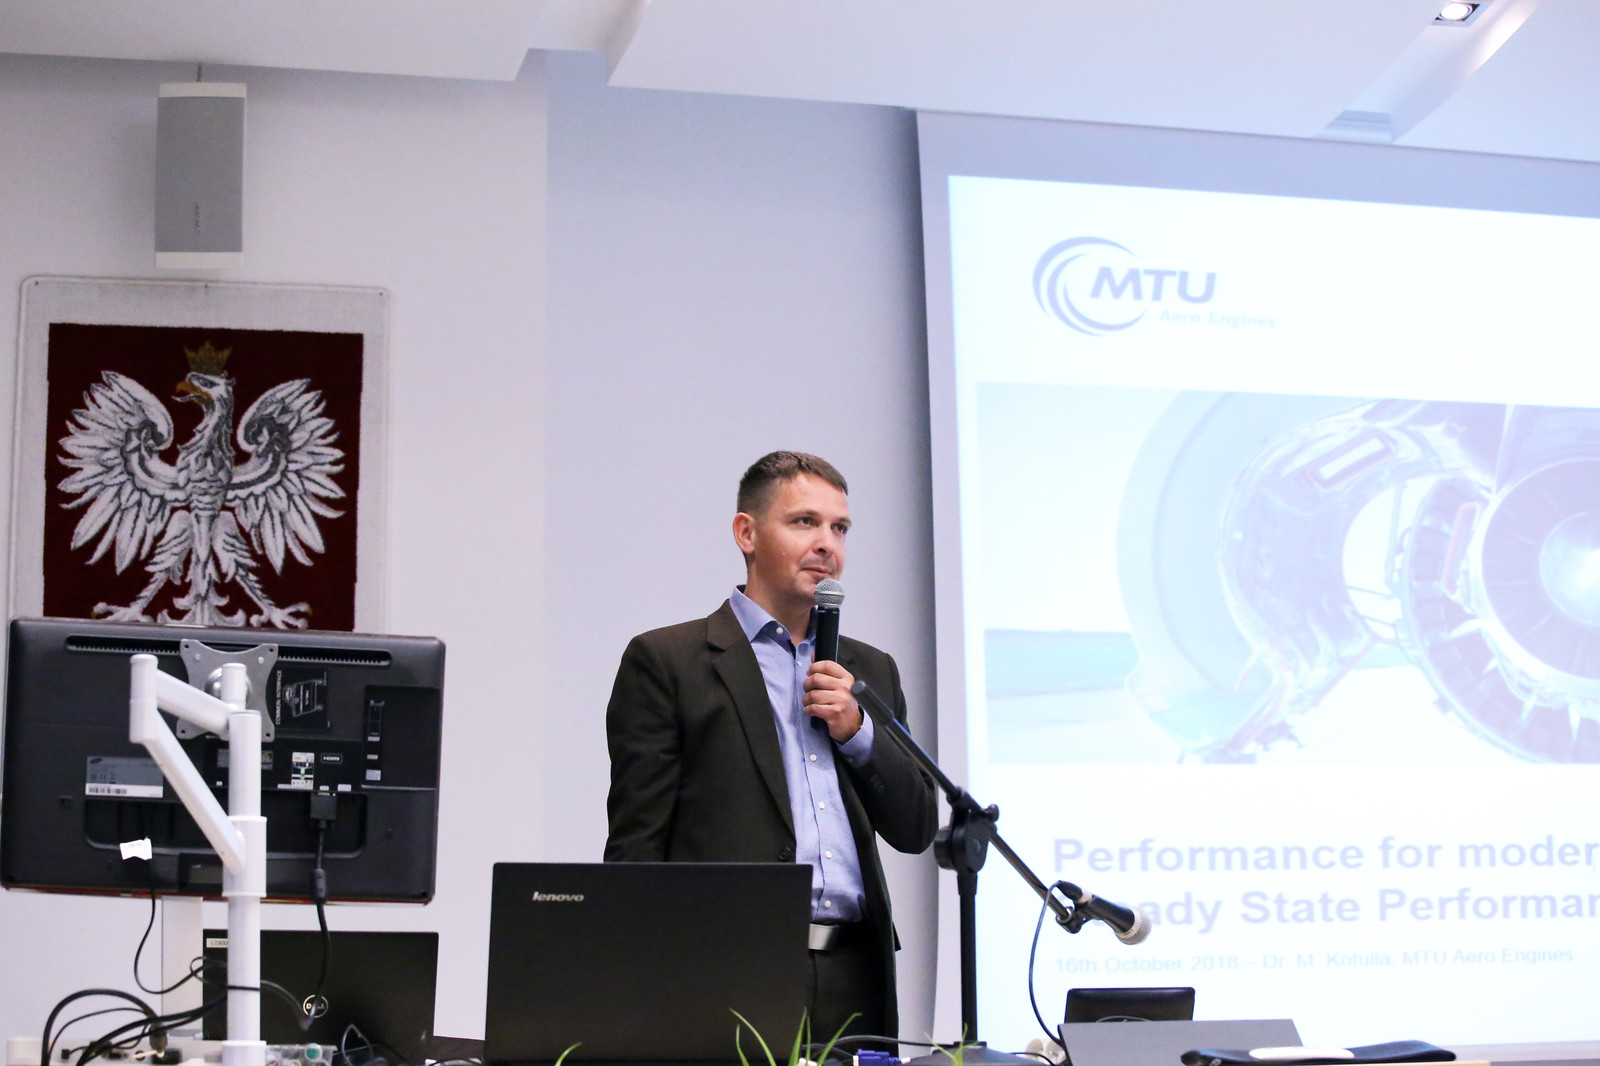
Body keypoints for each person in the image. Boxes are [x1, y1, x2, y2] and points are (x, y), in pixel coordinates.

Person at [604, 451, 938, 1044]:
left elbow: (915, 828)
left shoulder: (871, 671)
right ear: (747, 534)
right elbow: (637, 849)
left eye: (840, 528)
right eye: (805, 522)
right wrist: (638, 1001)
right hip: (725, 975)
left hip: (855, 973)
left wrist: (857, 731)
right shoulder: (669, 662)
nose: (827, 544)